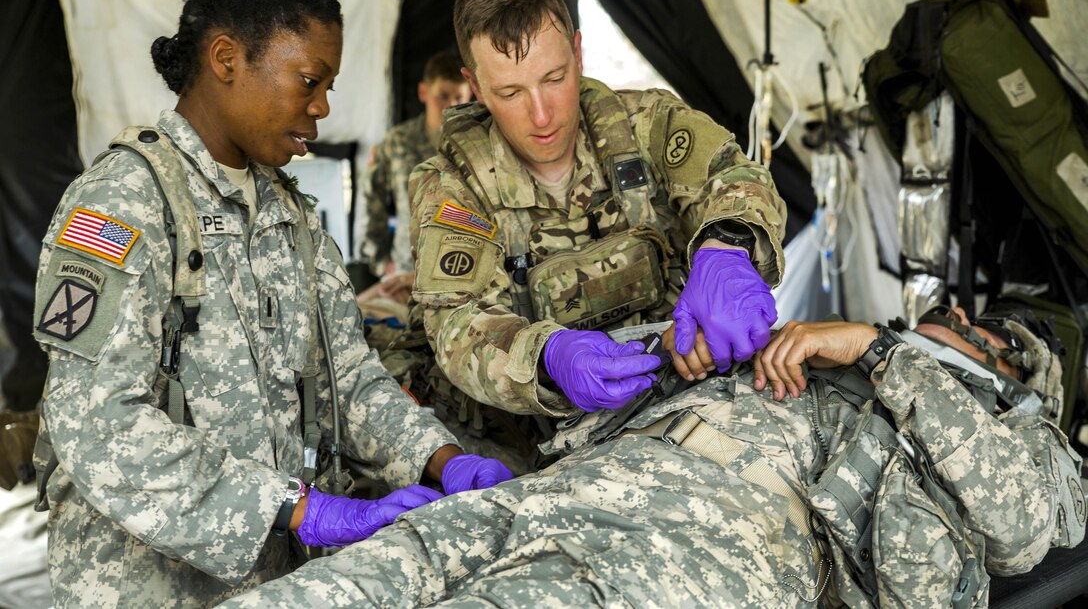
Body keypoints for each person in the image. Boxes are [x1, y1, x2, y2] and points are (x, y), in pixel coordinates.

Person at [30, 0, 511, 608]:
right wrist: (295, 506)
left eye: (330, 86)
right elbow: (98, 425)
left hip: (274, 582)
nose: (322, 108)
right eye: (309, 80)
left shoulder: (288, 213)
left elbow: (349, 374)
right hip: (145, 587)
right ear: (227, 59)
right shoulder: (121, 205)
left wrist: (440, 457)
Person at [217, 303, 1085, 607]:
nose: (960, 326)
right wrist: (673, 352)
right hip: (577, 483)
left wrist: (887, 356)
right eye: (958, 313)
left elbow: (1016, 530)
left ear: (1015, 374)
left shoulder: (1014, 428)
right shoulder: (826, 337)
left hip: (707, 547)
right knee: (336, 588)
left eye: (990, 335)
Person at [404, 0, 787, 471]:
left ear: (579, 53)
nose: (541, 115)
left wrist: (726, 247)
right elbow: (455, 323)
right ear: (474, 87)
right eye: (511, 93)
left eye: (554, 78)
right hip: (538, 447)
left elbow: (734, 178)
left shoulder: (646, 123)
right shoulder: (452, 185)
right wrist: (547, 356)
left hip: (682, 407)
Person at [361, 51, 472, 283]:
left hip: (464, 266)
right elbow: (373, 199)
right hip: (407, 267)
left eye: (459, 97)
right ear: (424, 92)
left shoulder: (474, 142)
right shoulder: (399, 141)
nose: (451, 105)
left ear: (470, 93)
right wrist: (380, 259)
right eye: (442, 96)